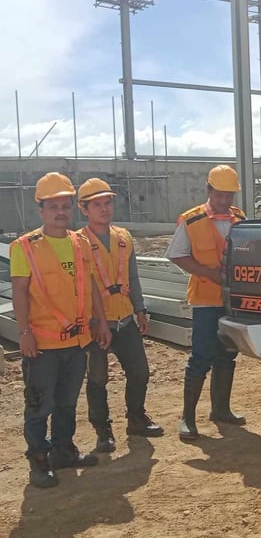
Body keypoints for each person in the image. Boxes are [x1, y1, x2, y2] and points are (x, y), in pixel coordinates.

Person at [10, 172, 112, 489]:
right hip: (41, 346)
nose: (60, 212)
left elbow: (92, 285)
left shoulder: (81, 243)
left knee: (67, 403)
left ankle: (64, 452)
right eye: (53, 207)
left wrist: (102, 321)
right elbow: (20, 292)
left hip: (77, 341)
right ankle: (39, 463)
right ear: (41, 210)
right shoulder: (24, 247)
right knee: (40, 407)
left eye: (65, 206)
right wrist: (24, 332)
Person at [77, 178, 164, 453]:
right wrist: (91, 322)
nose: (104, 209)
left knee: (139, 372)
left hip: (125, 318)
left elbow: (133, 278)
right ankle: (103, 431)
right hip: (94, 325)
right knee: (97, 379)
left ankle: (136, 419)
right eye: (97, 205)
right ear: (84, 209)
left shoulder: (123, 238)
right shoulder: (77, 243)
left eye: (107, 203)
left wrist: (140, 309)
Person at [166, 165, 247, 441]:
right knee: (201, 355)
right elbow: (177, 255)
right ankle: (187, 418)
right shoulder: (192, 221)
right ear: (208, 190)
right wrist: (209, 273)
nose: (225, 201)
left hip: (231, 300)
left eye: (230, 196)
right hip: (204, 300)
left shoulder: (240, 219)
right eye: (220, 194)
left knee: (227, 353)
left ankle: (221, 410)